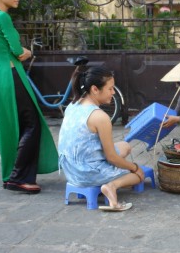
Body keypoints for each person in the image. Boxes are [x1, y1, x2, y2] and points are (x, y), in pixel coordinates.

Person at [0, 0, 58, 194]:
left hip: (0, 75)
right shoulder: (3, 18)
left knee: (16, 125)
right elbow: (18, 51)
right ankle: (17, 178)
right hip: (12, 73)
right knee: (32, 123)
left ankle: (13, 176)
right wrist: (28, 51)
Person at [58, 66, 144, 211]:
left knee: (125, 146)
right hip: (88, 174)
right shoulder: (100, 117)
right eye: (110, 89)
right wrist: (135, 167)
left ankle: (110, 181)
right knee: (137, 176)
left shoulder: (72, 106)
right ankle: (111, 186)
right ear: (95, 89)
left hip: (71, 171)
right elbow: (111, 157)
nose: (113, 92)